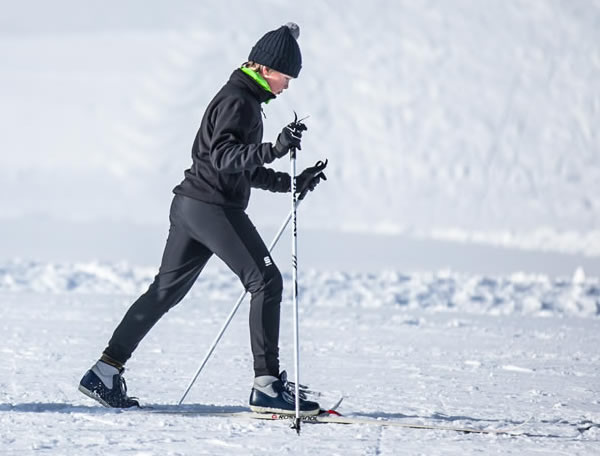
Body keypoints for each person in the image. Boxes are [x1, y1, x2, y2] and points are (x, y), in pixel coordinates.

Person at [78, 22, 327, 415]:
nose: (288, 86)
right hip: (212, 208)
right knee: (266, 281)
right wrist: (273, 149)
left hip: (192, 205)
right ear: (264, 67)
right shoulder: (238, 101)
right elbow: (225, 158)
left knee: (165, 292)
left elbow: (238, 166)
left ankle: (104, 372)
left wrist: (290, 183)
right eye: (286, 76)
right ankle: (267, 386)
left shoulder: (246, 100)